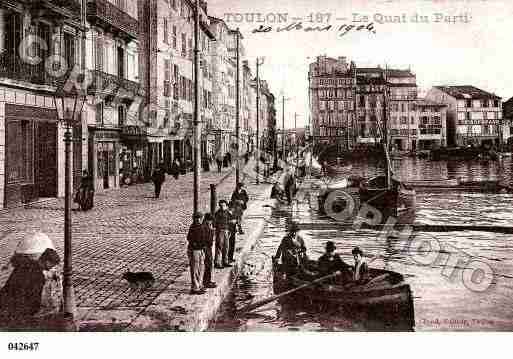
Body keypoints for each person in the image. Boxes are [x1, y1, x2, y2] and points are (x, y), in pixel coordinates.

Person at [187, 212, 206, 295]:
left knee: (201, 268)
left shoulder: (201, 226)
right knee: (195, 268)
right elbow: (189, 238)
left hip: (201, 250)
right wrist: (196, 244)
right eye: (196, 218)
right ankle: (195, 287)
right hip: (195, 250)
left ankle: (199, 284)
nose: (198, 220)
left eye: (200, 218)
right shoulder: (193, 227)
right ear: (194, 219)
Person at [214, 200, 235, 268]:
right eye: (221, 206)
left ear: (226, 206)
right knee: (219, 246)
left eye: (223, 206)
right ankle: (217, 262)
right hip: (220, 231)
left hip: (226, 231)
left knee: (226, 247)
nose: (222, 207)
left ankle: (225, 261)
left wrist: (231, 227)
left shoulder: (228, 212)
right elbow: (215, 223)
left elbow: (233, 220)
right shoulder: (217, 213)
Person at [202, 213, 217, 289]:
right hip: (206, 247)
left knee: (210, 264)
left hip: (209, 247)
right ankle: (206, 282)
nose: (210, 222)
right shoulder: (204, 227)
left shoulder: (208, 226)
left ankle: (208, 280)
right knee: (208, 264)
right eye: (209, 221)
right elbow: (205, 238)